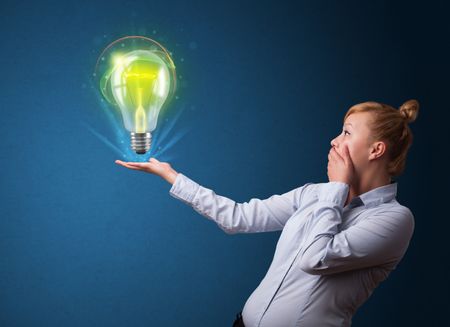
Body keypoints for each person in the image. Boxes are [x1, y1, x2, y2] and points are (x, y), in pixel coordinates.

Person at [115, 99, 419, 327]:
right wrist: (172, 176)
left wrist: (336, 188)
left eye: (346, 132)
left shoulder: (394, 219)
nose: (334, 141)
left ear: (376, 150)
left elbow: (316, 258)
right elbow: (239, 218)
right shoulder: (312, 194)